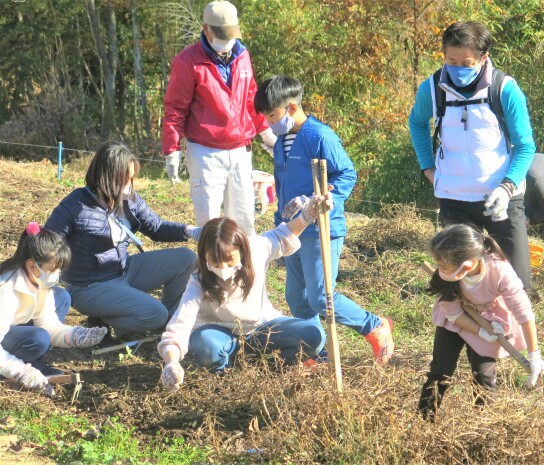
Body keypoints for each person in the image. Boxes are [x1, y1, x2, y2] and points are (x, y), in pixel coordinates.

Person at [253, 76, 395, 365]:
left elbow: (346, 173)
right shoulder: (282, 142)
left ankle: (374, 325)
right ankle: (316, 353)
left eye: (272, 115)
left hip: (320, 228)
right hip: (292, 230)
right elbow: (282, 183)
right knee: (296, 297)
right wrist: (280, 219)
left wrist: (326, 200)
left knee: (320, 297)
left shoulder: (320, 136)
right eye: (265, 116)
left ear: (292, 108)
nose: (268, 122)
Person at [409, 21, 535, 290]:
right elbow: (417, 122)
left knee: (517, 281)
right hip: (454, 198)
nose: (457, 69)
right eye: (451, 61)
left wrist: (507, 186)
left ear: (483, 57)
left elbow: (525, 146)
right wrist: (427, 167)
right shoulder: (432, 88)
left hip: (501, 197)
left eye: (466, 64)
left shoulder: (504, 88)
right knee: (460, 282)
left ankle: (510, 317)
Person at [158, 196, 329, 389]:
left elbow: (283, 235)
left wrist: (307, 216)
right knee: (205, 345)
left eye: (229, 259)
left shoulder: (255, 249)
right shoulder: (198, 280)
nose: (223, 267)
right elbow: (180, 324)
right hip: (219, 335)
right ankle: (225, 374)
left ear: (242, 251)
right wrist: (171, 362)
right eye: (215, 261)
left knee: (314, 335)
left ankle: (273, 367)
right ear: (204, 256)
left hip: (261, 328)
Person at [44, 141, 199, 339]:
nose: (129, 185)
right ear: (107, 177)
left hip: (124, 270)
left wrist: (189, 231)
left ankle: (168, 320)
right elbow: (48, 241)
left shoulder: (129, 198)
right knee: (155, 314)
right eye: (125, 179)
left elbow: (156, 227)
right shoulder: (76, 205)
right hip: (89, 286)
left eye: (131, 178)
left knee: (186, 258)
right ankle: (105, 316)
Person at [162, 0, 277, 235]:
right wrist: (171, 149)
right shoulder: (188, 61)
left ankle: (244, 259)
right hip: (206, 152)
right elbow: (176, 107)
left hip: (240, 149)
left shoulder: (242, 56)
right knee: (210, 222)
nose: (227, 41)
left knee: (244, 219)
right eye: (222, 35)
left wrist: (265, 131)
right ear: (206, 29)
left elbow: (250, 99)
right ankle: (210, 260)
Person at [418, 224, 544, 420]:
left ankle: (483, 424)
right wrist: (480, 332)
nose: (440, 269)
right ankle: (425, 420)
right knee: (440, 371)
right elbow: (453, 313)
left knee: (484, 376)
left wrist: (534, 354)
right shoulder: (445, 275)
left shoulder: (500, 270)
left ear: (466, 266)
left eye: (443, 265)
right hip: (454, 320)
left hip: (490, 319)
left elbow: (524, 313)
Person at [0, 223, 108, 395]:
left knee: (62, 297)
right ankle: (12, 366)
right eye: (52, 269)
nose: (57, 275)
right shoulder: (6, 290)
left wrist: (75, 336)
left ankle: (33, 361)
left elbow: (48, 324)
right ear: (32, 266)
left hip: (12, 327)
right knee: (39, 338)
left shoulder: (37, 281)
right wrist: (19, 371)